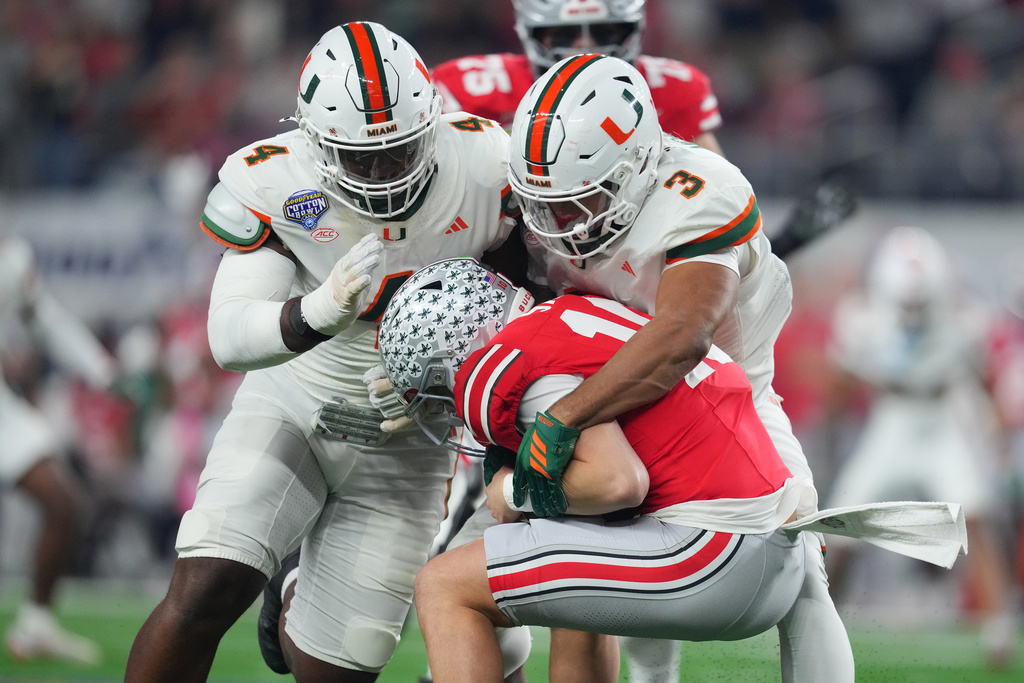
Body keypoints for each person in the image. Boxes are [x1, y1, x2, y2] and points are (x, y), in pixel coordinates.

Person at [124, 21, 524, 683]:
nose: (383, 170)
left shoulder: (485, 167)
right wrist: (315, 313)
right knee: (205, 588)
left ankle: (291, 594)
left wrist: (449, 378)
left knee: (335, 666)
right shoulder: (280, 181)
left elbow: (526, 306)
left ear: (433, 121)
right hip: (296, 399)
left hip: (409, 435)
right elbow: (228, 335)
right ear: (314, 140)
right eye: (361, 157)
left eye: (399, 150)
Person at [378, 258, 967, 683]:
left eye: (435, 391)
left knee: (444, 584)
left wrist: (513, 492)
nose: (444, 406)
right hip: (769, 548)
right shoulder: (581, 313)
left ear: (457, 353)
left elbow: (615, 483)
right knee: (569, 568)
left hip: (709, 555)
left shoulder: (520, 365)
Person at [503, 53, 855, 682]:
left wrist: (562, 419)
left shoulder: (698, 190)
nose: (565, 223)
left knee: (802, 563)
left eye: (588, 198)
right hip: (598, 387)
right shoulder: (537, 191)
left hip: (727, 396)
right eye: (549, 203)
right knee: (578, 564)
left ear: (638, 163)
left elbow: (682, 336)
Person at [824, 226, 1018, 669]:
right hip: (890, 419)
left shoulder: (965, 317)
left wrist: (996, 439)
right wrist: (834, 452)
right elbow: (840, 383)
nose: (912, 308)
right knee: (843, 526)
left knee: (977, 520)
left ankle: (998, 630)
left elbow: (983, 377)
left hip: (941, 418)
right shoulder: (863, 318)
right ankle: (822, 623)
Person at [0, 236, 114, 665]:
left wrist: (101, 369)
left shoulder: (12, 262)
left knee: (65, 506)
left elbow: (45, 321)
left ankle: (37, 623)